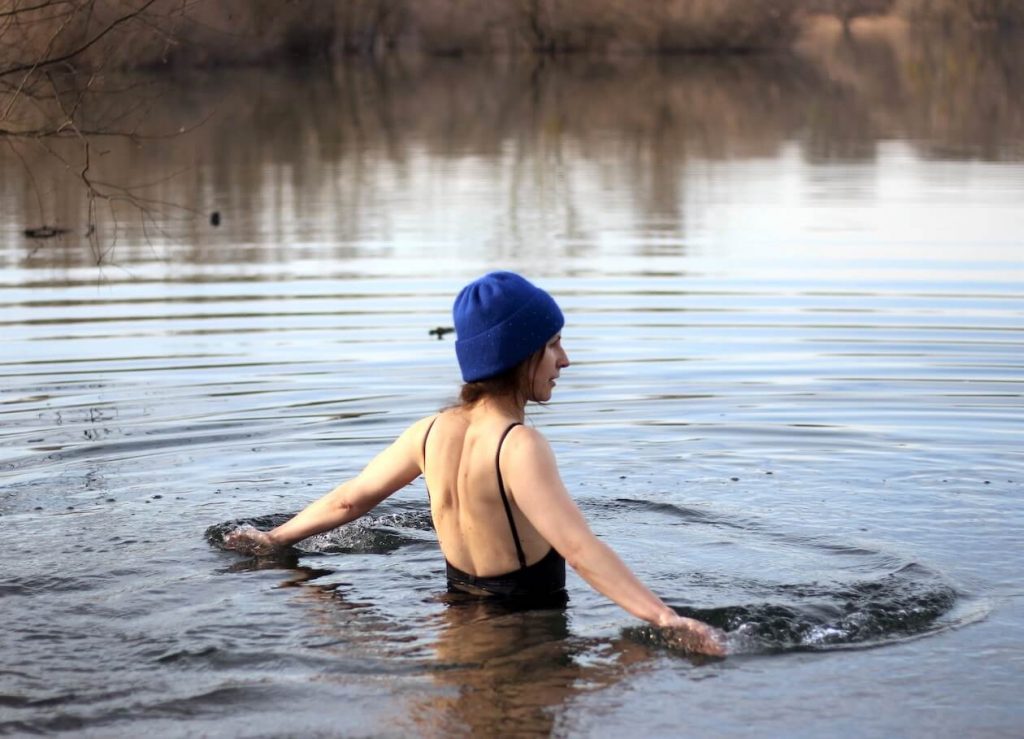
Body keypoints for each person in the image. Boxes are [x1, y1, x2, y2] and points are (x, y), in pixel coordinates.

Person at [224, 271, 725, 656]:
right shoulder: (518, 445)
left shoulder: (429, 432)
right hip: (527, 646)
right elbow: (578, 549)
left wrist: (273, 540)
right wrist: (665, 620)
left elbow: (350, 499)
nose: (566, 360)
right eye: (552, 345)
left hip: (453, 632)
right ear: (519, 355)